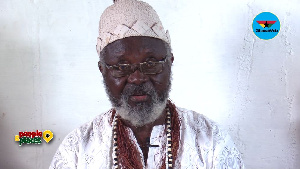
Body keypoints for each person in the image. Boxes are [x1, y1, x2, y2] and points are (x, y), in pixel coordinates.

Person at [50, 0, 244, 168]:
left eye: (151, 63)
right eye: (121, 66)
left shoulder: (211, 141)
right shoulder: (77, 149)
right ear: (103, 70)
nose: (137, 78)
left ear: (170, 62)